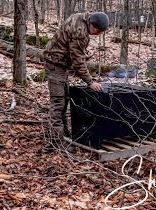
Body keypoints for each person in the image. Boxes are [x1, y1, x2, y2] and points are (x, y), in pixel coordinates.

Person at [42, 11, 110, 152]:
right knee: (58, 103)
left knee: (65, 99)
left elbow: (73, 50)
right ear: (92, 25)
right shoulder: (80, 31)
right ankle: (55, 142)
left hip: (61, 63)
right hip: (55, 63)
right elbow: (77, 62)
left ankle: (64, 135)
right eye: (97, 31)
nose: (97, 34)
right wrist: (90, 82)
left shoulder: (81, 17)